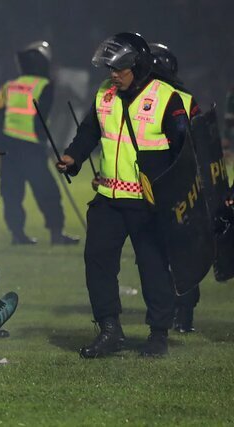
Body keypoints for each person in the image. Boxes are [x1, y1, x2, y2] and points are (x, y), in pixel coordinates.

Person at [56, 32, 189, 358]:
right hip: (108, 199)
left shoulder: (166, 98)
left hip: (149, 203)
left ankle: (158, 334)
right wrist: (73, 157)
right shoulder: (106, 93)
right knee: (97, 262)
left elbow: (185, 151)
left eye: (120, 69)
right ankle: (109, 330)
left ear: (139, 66)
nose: (113, 75)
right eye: (110, 69)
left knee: (153, 267)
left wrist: (176, 195)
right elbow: (90, 130)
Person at [0, 41, 78, 245]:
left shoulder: (8, 86)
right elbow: (42, 118)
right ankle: (57, 234)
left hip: (8, 147)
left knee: (12, 193)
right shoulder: (44, 86)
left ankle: (17, 235)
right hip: (31, 147)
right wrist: (43, 143)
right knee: (47, 191)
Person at [149, 42, 201, 333]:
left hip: (175, 186)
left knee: (175, 251)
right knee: (167, 252)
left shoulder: (177, 98)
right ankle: (174, 313)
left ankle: (181, 313)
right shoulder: (185, 96)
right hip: (161, 186)